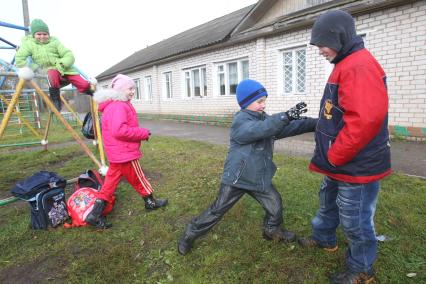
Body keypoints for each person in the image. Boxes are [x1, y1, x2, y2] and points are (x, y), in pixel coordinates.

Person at [297, 10, 391, 284]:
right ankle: (324, 238)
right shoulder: (346, 62)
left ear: (338, 38)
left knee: (356, 219)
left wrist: (335, 155)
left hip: (354, 164)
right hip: (340, 161)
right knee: (328, 203)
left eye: (321, 45)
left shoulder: (359, 66)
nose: (319, 52)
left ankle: (362, 268)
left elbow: (364, 120)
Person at [177, 79, 317, 255]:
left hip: (258, 176)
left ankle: (271, 230)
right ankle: (189, 234)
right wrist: (284, 116)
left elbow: (284, 127)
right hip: (237, 177)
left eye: (265, 100)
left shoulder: (264, 118)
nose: (263, 105)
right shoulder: (240, 120)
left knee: (275, 204)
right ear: (245, 103)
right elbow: (259, 130)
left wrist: (316, 123)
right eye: (259, 101)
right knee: (217, 210)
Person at [86, 74, 168, 229]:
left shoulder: (113, 105)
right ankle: (150, 202)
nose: (132, 92)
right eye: (130, 88)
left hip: (117, 154)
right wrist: (142, 133)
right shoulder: (119, 106)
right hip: (124, 153)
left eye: (133, 88)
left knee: (109, 184)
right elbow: (119, 130)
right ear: (120, 89)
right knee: (139, 178)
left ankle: (94, 214)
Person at [15, 19, 95, 111]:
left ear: (48, 34)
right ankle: (56, 99)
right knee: (52, 74)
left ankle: (93, 93)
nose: (42, 36)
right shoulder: (29, 44)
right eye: (39, 34)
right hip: (49, 70)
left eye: (45, 34)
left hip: (64, 68)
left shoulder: (55, 42)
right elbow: (19, 59)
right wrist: (34, 67)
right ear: (33, 35)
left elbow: (69, 55)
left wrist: (62, 63)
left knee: (84, 84)